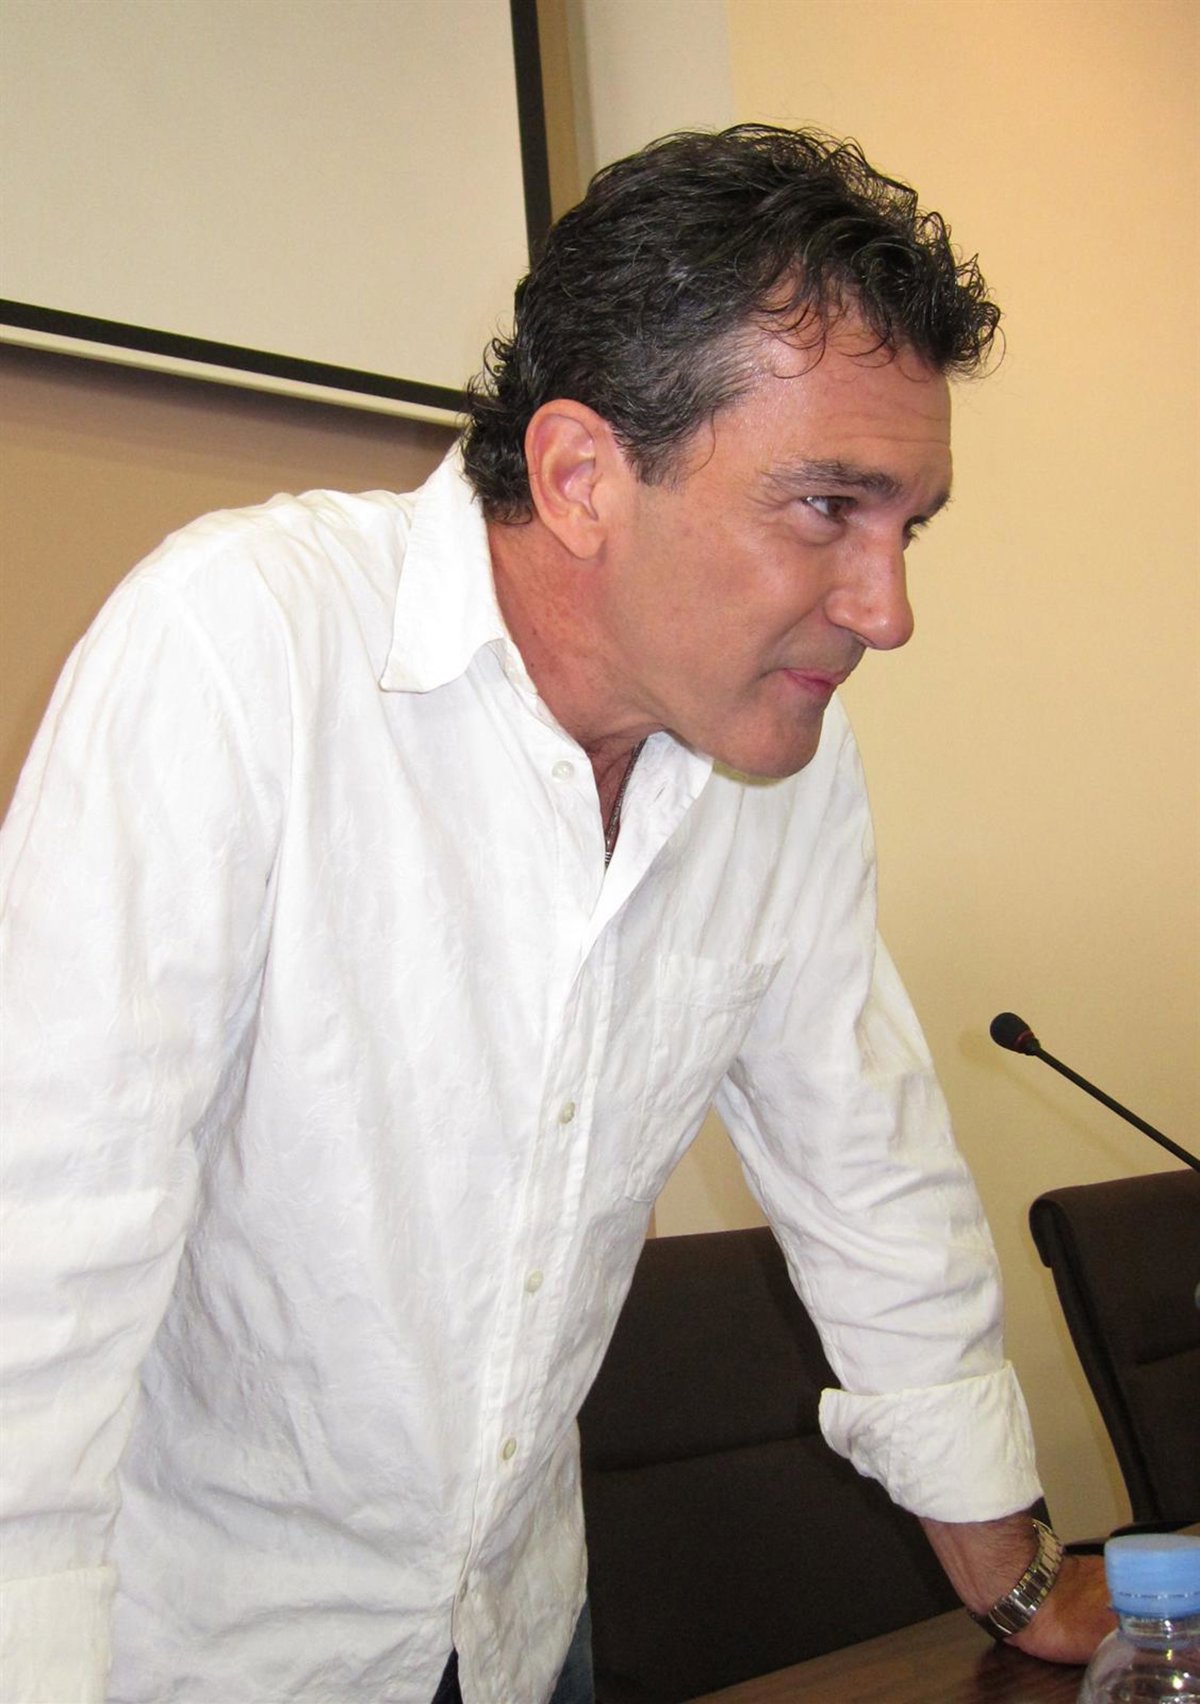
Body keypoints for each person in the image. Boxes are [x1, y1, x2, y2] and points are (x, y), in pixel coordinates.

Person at [0, 126, 1110, 1704]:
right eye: (826, 508)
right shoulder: (242, 649)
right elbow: (42, 1251)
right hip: (204, 1650)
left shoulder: (780, 763)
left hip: (519, 1624)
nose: (888, 610)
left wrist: (1019, 1582)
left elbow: (866, 1169)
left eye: (907, 526)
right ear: (584, 475)